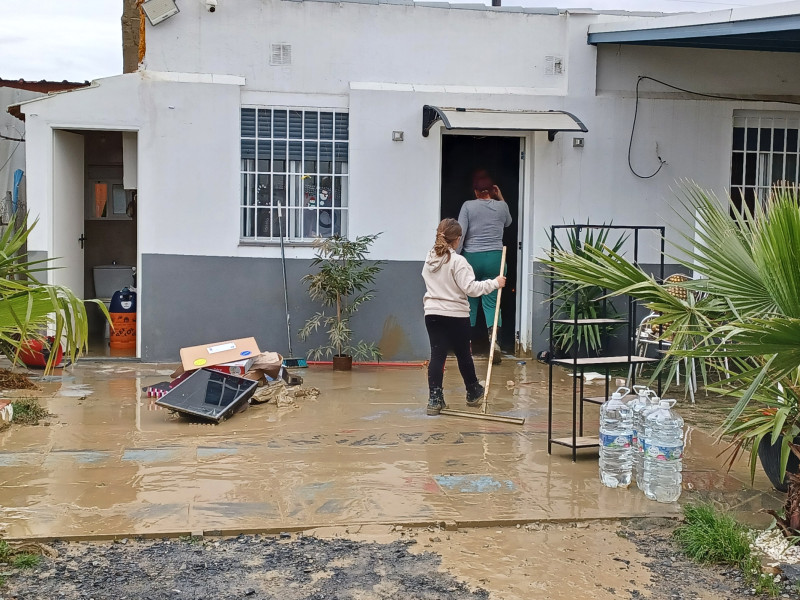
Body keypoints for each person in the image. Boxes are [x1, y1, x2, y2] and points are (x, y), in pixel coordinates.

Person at [422, 218, 506, 416]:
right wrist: (495, 283)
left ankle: (435, 399)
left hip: (432, 314)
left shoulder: (429, 259)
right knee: (463, 354)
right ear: (457, 239)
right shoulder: (458, 262)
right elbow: (471, 289)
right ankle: (473, 391)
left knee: (437, 355)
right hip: (456, 315)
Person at [457, 170, 512, 364]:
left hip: (472, 257)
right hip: (496, 258)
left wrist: (455, 257)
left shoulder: (468, 206)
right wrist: (500, 197)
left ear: (475, 191)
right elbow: (509, 222)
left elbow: (460, 233)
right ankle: (494, 341)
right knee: (491, 301)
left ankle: (467, 345)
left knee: (469, 300)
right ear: (492, 190)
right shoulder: (502, 207)